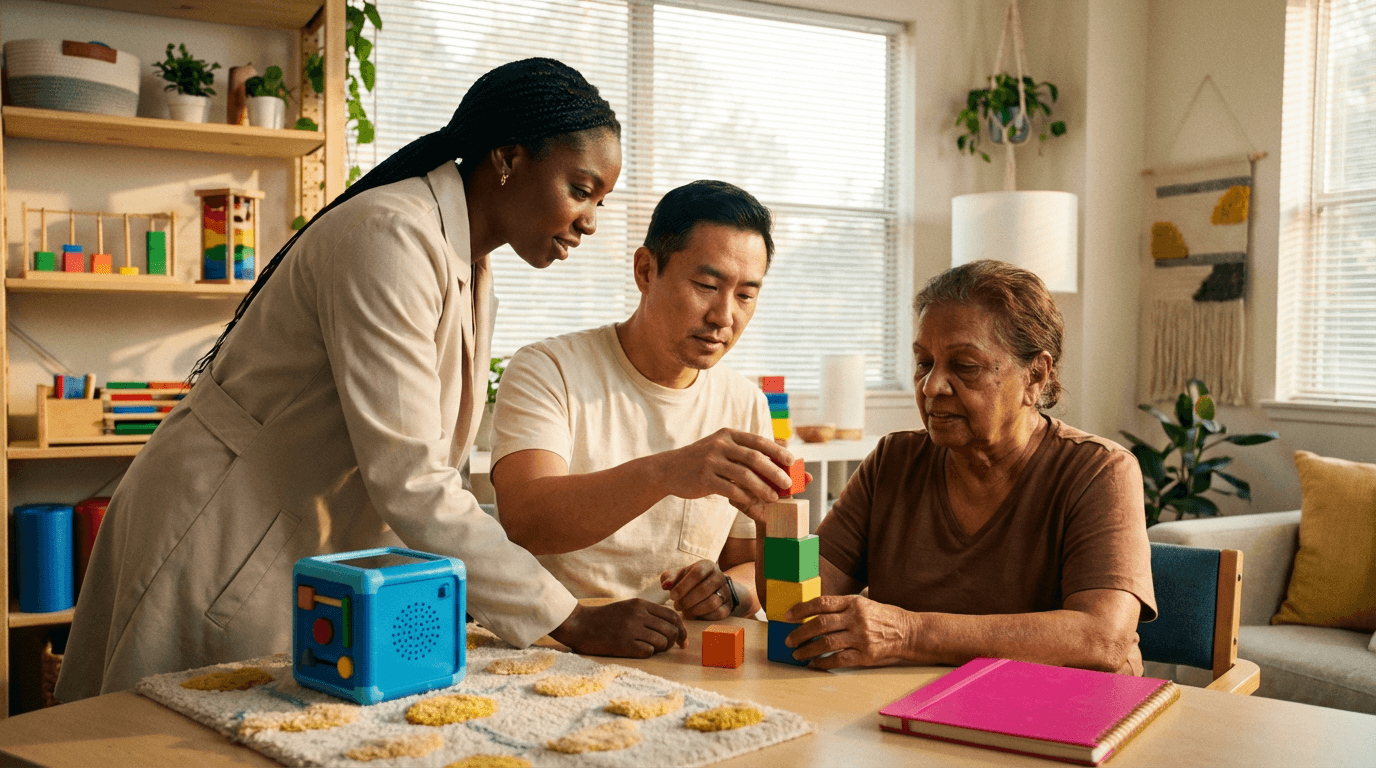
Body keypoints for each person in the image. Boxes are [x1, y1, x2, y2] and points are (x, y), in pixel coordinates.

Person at [57, 58, 688, 702]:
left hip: (295, 525)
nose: (590, 221)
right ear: (507, 157)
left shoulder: (468, 265)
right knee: (167, 730)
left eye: (601, 202)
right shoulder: (389, 234)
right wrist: (569, 618)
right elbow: (410, 478)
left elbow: (420, 468)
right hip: (222, 520)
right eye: (580, 190)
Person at [774, 260, 1156, 674]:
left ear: (1035, 377)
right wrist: (774, 523)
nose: (932, 386)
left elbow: (1101, 638)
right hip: (904, 709)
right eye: (924, 362)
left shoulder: (1100, 471)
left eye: (965, 366)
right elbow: (802, 610)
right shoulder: (893, 461)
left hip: (1060, 717)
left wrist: (910, 633)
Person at [491, 180, 794, 623]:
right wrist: (668, 472)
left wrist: (727, 590)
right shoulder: (549, 369)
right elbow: (526, 519)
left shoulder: (745, 401)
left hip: (680, 650)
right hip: (561, 640)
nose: (725, 316)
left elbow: (744, 562)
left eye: (746, 295)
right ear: (646, 271)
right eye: (707, 285)